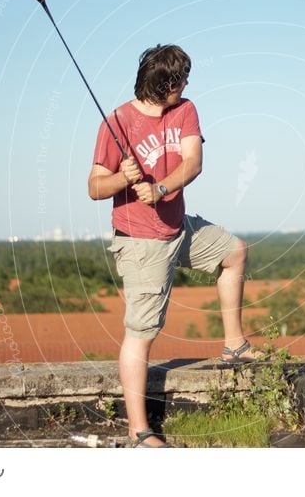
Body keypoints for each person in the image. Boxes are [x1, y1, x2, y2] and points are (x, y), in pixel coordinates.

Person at [88, 44, 262, 448]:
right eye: (181, 79)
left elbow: (193, 162)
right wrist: (122, 179)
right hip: (142, 241)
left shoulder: (184, 109)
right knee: (142, 333)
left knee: (234, 252)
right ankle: (139, 431)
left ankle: (234, 346)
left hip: (176, 227)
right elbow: (94, 187)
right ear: (163, 83)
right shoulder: (117, 122)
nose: (186, 84)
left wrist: (160, 187)